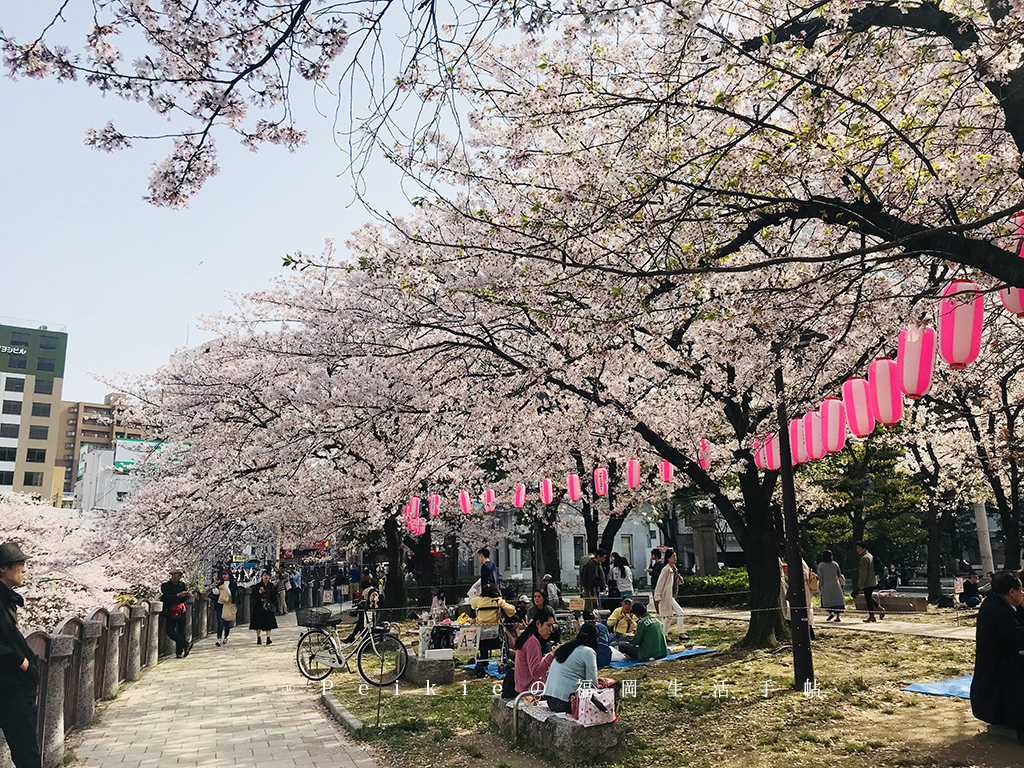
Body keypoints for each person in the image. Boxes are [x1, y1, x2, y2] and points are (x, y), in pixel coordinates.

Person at [0, 542, 41, 768]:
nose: (24, 568)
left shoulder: (7, 599)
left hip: (14, 685)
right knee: (28, 755)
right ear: (2, 569)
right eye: (18, 563)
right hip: (11, 687)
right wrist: (20, 661)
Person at [969, 571, 1024, 740]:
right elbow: (1018, 638)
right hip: (999, 673)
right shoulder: (997, 610)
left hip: (1001, 665)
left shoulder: (997, 604)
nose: (1023, 593)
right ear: (1012, 592)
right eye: (1022, 590)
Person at [542, 623, 600, 713]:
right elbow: (592, 684)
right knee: (613, 687)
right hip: (566, 702)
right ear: (595, 639)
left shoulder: (567, 647)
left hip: (550, 699)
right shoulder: (588, 652)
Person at [513, 605, 557, 694]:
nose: (550, 630)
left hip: (523, 688)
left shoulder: (528, 637)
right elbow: (536, 672)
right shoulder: (532, 642)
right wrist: (552, 655)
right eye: (548, 625)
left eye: (552, 626)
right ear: (538, 624)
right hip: (529, 692)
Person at [654, 548, 687, 641]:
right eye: (673, 556)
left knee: (668, 617)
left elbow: (674, 582)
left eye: (675, 556)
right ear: (668, 558)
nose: (675, 558)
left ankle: (664, 635)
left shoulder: (674, 568)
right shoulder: (666, 569)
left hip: (671, 595)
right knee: (679, 612)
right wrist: (657, 596)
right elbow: (660, 583)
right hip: (666, 596)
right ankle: (681, 633)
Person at [161, 567, 192, 658]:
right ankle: (185, 644)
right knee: (170, 631)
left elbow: (183, 599)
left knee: (181, 630)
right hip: (170, 610)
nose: (179, 577)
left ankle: (179, 652)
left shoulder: (182, 585)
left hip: (181, 610)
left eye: (180, 575)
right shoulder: (165, 586)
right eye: (178, 575)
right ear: (173, 575)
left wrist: (186, 595)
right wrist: (178, 595)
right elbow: (166, 597)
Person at [854, 542, 884, 622]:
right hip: (872, 580)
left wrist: (861, 584)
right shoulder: (869, 556)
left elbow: (863, 573)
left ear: (863, 548)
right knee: (868, 597)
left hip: (868, 581)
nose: (857, 550)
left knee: (868, 599)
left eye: (859, 548)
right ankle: (880, 609)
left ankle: (872, 615)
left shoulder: (864, 558)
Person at [249, 571, 278, 644]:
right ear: (262, 576)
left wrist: (273, 603)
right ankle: (258, 637)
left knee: (269, 623)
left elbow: (274, 595)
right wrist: (259, 593)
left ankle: (268, 638)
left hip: (268, 605)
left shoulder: (271, 586)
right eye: (265, 575)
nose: (266, 577)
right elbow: (253, 595)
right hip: (259, 605)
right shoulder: (258, 585)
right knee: (258, 623)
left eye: (267, 575)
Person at [817, 550, 846, 622]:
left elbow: (820, 577)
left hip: (826, 585)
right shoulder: (835, 564)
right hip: (835, 584)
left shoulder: (821, 565)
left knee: (827, 601)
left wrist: (820, 586)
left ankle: (830, 613)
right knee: (837, 600)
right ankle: (838, 617)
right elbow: (839, 574)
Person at [212, 570, 239, 647]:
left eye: (226, 574)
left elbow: (232, 594)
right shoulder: (220, 584)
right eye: (223, 574)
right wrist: (215, 584)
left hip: (228, 604)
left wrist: (224, 589)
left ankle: (226, 636)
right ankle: (219, 638)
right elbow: (215, 592)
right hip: (220, 604)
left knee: (227, 622)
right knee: (220, 621)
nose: (224, 576)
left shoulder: (233, 584)